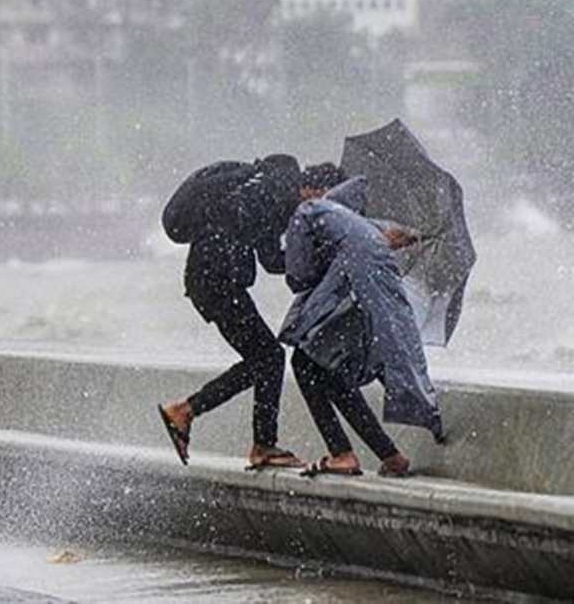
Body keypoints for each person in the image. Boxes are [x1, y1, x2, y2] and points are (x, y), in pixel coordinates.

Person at [279, 176, 444, 478]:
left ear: (310, 191)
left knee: (304, 362)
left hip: (350, 288)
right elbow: (373, 243)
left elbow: (298, 276)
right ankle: (390, 455)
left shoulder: (307, 211)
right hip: (370, 296)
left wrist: (308, 261)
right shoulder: (359, 223)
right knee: (332, 371)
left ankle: (342, 454)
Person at [157, 154, 304, 470]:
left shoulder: (250, 186)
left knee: (264, 359)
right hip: (220, 283)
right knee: (269, 358)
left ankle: (188, 412)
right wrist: (313, 255)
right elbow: (272, 260)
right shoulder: (279, 193)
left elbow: (264, 254)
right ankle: (256, 443)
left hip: (206, 280)